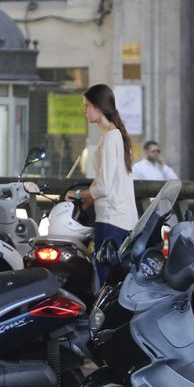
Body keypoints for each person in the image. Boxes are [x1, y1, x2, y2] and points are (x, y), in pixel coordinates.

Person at [71, 84, 139, 285]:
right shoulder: (116, 135)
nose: (85, 111)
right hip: (121, 220)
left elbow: (104, 187)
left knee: (107, 284)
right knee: (116, 283)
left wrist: (81, 194)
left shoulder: (110, 138)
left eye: (87, 106)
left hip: (111, 221)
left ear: (98, 107)